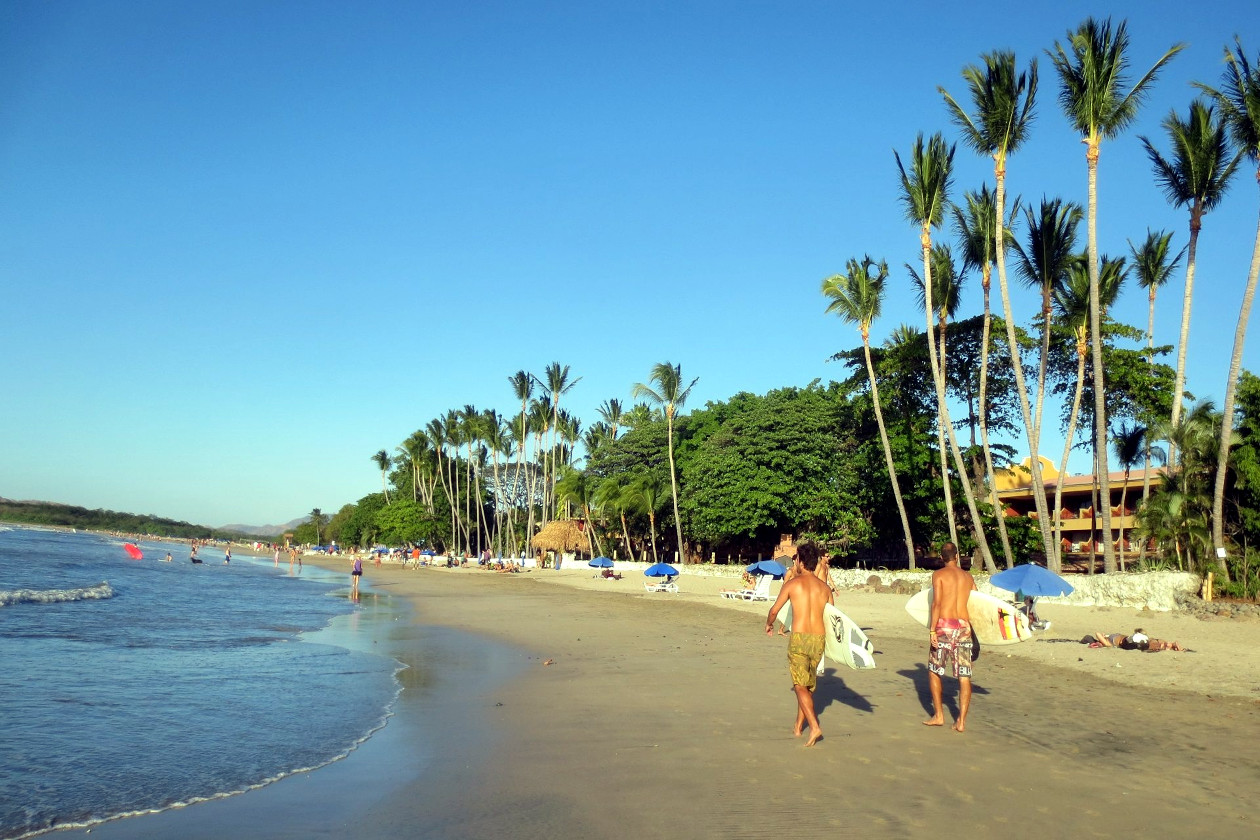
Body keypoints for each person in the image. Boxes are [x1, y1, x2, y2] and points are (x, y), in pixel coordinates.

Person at [765, 541, 834, 747]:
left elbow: (775, 610)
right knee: (807, 686)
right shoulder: (825, 588)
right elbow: (832, 618)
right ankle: (798, 726)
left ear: (801, 562)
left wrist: (769, 624)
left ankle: (814, 726)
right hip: (819, 639)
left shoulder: (793, 584)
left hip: (800, 638)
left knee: (798, 684)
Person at [924, 542, 977, 733]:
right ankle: (961, 721)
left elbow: (936, 604)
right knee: (964, 675)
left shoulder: (938, 575)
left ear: (941, 557)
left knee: (934, 671)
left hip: (944, 627)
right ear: (957, 555)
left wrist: (932, 631)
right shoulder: (968, 577)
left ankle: (939, 716)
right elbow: (977, 604)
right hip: (963, 627)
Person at [1086, 630, 1186, 652]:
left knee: (1147, 644)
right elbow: (1098, 634)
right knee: (1149, 642)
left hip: (1127, 641)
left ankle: (1169, 645)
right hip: (1126, 638)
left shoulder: (1107, 643)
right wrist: (1103, 637)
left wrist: (1102, 639)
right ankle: (1170, 645)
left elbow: (1097, 634)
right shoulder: (1108, 641)